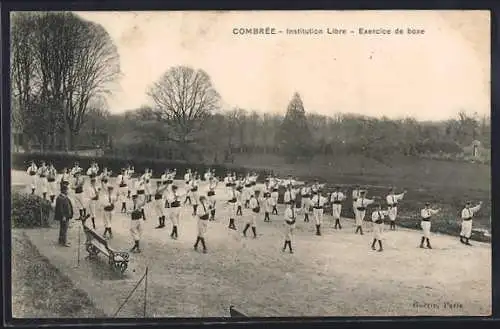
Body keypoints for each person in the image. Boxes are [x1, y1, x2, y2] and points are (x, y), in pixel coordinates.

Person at [55, 182, 74, 247]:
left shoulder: (64, 197)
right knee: (64, 229)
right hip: (64, 216)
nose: (67, 191)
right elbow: (60, 209)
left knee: (62, 228)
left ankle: (61, 240)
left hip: (66, 216)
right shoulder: (61, 198)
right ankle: (64, 242)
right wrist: (63, 216)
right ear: (63, 191)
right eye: (66, 190)